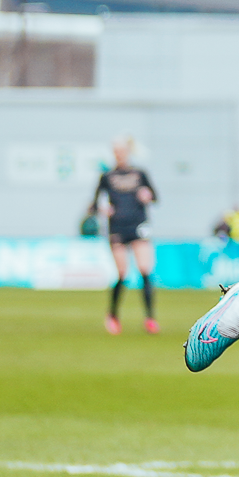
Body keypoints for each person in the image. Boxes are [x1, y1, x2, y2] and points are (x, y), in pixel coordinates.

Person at [87, 139, 159, 335]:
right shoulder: (107, 176)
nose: (120, 154)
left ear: (128, 153)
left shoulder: (139, 174)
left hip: (138, 225)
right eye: (116, 151)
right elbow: (93, 205)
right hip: (117, 228)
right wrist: (101, 209)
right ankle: (113, 315)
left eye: (122, 151)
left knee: (145, 270)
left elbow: (155, 196)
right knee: (123, 274)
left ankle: (150, 318)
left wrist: (148, 196)